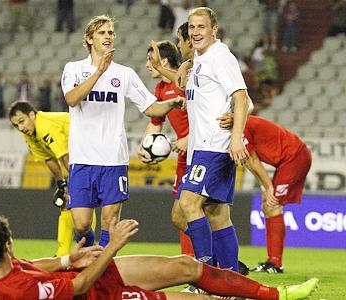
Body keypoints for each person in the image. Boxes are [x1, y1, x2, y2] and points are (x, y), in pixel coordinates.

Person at [0, 215, 320, 299]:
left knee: (186, 266)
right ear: (6, 246)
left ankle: (274, 294)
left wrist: (67, 259)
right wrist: (112, 245)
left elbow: (31, 266)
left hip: (93, 274)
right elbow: (79, 287)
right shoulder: (20, 292)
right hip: (97, 294)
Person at [60, 15, 182, 248]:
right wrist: (98, 73)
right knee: (82, 224)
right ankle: (90, 257)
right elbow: (72, 99)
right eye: (102, 32)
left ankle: (102, 272)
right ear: (89, 39)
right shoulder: (74, 69)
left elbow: (150, 107)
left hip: (113, 159)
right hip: (83, 158)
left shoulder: (124, 74)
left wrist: (171, 102)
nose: (108, 36)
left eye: (111, 32)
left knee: (110, 221)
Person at [174, 7, 252, 274]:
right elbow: (245, 103)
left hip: (215, 146)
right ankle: (230, 277)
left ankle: (206, 275)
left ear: (214, 29)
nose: (196, 32)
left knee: (188, 203)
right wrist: (186, 65)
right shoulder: (200, 58)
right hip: (202, 147)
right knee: (217, 213)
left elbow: (241, 97)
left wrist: (237, 138)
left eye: (201, 27)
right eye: (192, 27)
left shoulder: (220, 57)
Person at [219, 114, 311, 274]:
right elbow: (248, 161)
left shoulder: (241, 127)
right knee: (269, 206)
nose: (223, 118)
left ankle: (275, 263)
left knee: (272, 205)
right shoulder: (238, 124)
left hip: (294, 157)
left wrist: (268, 188)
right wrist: (265, 186)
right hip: (288, 159)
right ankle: (273, 262)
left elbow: (252, 161)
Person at [140, 39, 193, 256]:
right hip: (184, 158)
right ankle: (193, 263)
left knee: (199, 210)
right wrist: (146, 147)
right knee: (181, 213)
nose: (146, 64)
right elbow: (155, 121)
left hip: (203, 153)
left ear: (162, 60)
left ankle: (211, 263)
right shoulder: (161, 88)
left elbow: (209, 115)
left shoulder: (184, 82)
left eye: (149, 59)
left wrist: (190, 138)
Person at [8, 100, 79, 257]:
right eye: (16, 125)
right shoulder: (30, 134)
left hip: (94, 149)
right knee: (70, 203)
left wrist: (77, 183)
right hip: (80, 157)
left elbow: (65, 156)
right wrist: (62, 184)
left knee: (80, 203)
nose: (21, 128)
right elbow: (49, 159)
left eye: (22, 121)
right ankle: (63, 254)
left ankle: (74, 251)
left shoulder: (45, 126)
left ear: (32, 115)